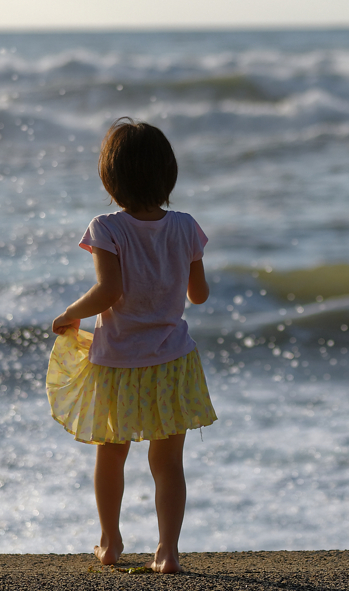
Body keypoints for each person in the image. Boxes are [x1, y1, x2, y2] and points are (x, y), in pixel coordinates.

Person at [47, 117, 216, 574]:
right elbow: (197, 295)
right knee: (167, 462)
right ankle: (168, 551)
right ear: (168, 177)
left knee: (111, 453)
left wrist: (71, 314)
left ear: (111, 179)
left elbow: (109, 291)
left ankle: (110, 541)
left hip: (119, 361)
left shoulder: (107, 227)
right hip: (172, 360)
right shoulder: (186, 227)